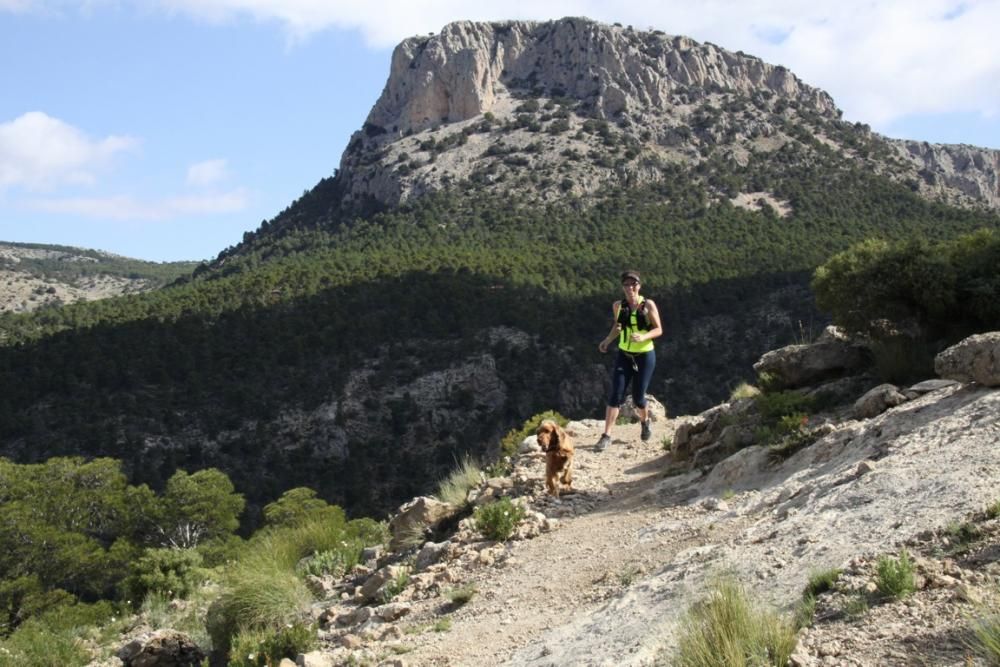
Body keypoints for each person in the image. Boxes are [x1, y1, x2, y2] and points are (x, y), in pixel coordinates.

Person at [595, 270, 663, 451]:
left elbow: (658, 330)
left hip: (645, 355)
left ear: (639, 286)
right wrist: (607, 340)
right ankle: (606, 435)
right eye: (627, 284)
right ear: (623, 286)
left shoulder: (648, 305)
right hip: (624, 355)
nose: (630, 287)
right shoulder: (618, 306)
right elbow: (618, 326)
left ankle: (645, 421)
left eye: (634, 284)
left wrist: (644, 337)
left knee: (639, 398)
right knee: (615, 395)